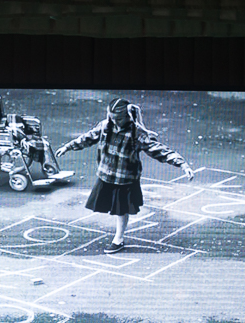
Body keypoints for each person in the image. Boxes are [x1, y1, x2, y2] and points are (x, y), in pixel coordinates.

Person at [55, 98, 196, 254]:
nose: (115, 122)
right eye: (112, 118)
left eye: (118, 119)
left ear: (127, 116)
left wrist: (182, 164)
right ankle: (118, 236)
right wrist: (68, 146)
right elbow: (88, 137)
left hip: (125, 179)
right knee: (109, 205)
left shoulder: (136, 133)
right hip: (106, 174)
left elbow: (158, 149)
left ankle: (119, 239)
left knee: (121, 209)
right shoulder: (105, 126)